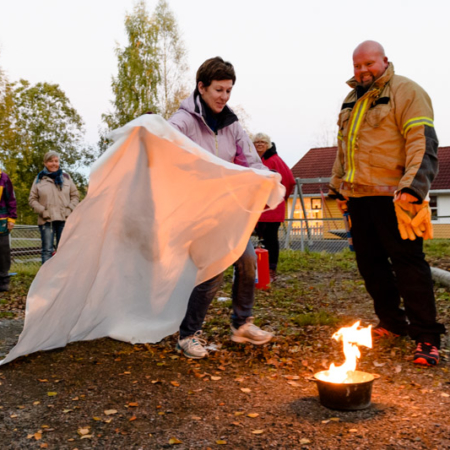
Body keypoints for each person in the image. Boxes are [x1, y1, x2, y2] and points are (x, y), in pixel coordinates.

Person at [329, 40, 445, 366]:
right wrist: (338, 189)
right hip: (359, 199)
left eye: (369, 63)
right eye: (357, 65)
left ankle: (427, 337)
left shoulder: (407, 92)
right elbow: (343, 150)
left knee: (409, 266)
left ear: (384, 61)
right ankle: (392, 324)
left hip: (395, 198)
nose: (363, 70)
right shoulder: (351, 100)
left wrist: (413, 188)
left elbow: (422, 142)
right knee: (371, 265)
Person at [168, 56, 274, 358]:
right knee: (214, 268)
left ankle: (241, 324)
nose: (224, 97)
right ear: (201, 87)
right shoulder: (186, 119)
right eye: (218, 90)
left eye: (228, 91)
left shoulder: (231, 123)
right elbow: (166, 141)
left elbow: (249, 158)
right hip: (196, 210)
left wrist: (264, 179)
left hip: (226, 209)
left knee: (248, 260)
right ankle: (188, 334)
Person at [253, 133, 295, 281]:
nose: (259, 144)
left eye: (263, 142)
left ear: (268, 144)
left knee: (270, 239)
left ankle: (270, 269)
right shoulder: (254, 160)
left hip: (271, 207)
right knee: (262, 239)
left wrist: (281, 198)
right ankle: (261, 268)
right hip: (259, 208)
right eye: (256, 142)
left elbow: (289, 181)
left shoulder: (275, 161)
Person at [29, 151, 80, 264]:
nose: (54, 164)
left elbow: (75, 195)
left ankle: (62, 278)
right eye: (50, 161)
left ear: (59, 162)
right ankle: (45, 280)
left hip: (65, 219)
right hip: (46, 220)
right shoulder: (39, 179)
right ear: (45, 163)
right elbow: (32, 199)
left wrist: (69, 209)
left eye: (56, 161)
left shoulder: (66, 177)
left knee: (64, 250)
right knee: (47, 250)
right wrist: (42, 211)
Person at [0, 169, 17, 292]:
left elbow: (11, 199)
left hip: (2, 220)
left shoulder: (4, 178)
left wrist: (12, 218)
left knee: (3, 250)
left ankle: (3, 280)